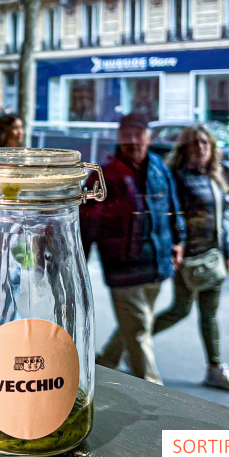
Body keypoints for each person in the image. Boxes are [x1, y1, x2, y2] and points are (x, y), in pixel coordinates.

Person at [81, 112, 186, 385]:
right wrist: (78, 262)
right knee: (139, 330)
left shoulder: (159, 167)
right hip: (123, 266)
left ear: (148, 138)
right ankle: (154, 390)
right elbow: (87, 223)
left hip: (157, 263)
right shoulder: (103, 175)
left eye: (138, 134)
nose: (132, 140)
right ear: (118, 137)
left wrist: (179, 241)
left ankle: (108, 360)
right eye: (126, 134)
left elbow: (173, 207)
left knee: (139, 322)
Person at [152, 125, 229, 393]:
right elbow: (171, 217)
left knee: (209, 314)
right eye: (195, 143)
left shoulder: (213, 177)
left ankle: (215, 368)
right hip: (190, 258)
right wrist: (177, 248)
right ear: (184, 148)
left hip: (213, 256)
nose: (201, 148)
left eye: (205, 143)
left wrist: (227, 253)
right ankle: (135, 339)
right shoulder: (177, 178)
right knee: (180, 310)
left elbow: (220, 221)